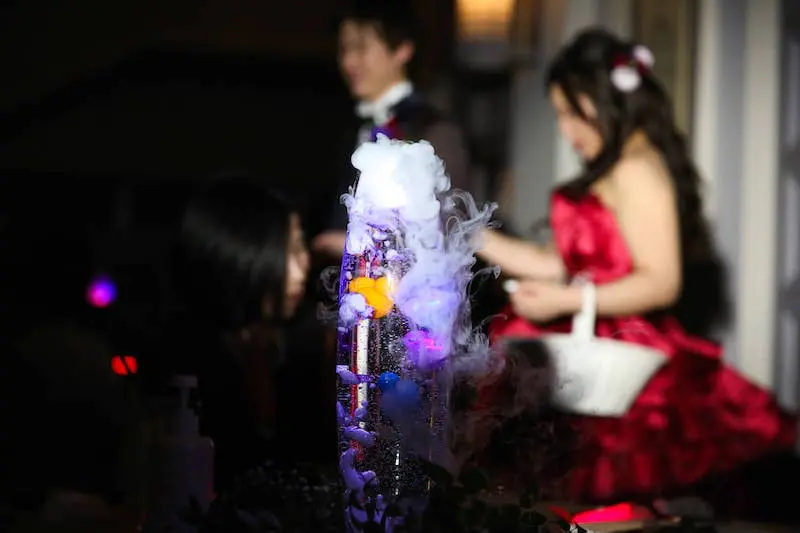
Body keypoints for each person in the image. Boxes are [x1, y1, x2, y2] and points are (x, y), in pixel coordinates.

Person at [476, 28, 797, 503]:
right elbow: (555, 263)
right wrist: (469, 234)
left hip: (624, 356)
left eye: (571, 113)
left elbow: (663, 282)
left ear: (604, 100)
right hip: (590, 342)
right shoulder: (616, 166)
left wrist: (566, 300)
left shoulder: (637, 168)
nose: (565, 130)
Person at [170, 175, 310, 492]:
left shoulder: (297, 348)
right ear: (243, 253)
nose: (301, 269)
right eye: (288, 251)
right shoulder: (193, 360)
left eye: (301, 246)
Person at [312, 0, 472, 258]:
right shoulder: (346, 125)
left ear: (402, 50)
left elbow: (450, 228)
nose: (348, 61)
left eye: (361, 48)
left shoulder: (433, 130)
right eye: (344, 49)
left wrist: (356, 244)